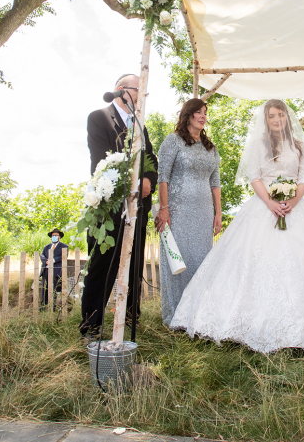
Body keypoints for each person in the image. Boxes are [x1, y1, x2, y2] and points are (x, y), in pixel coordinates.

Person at [170, 100, 304, 354]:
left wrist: (292, 200)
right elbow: (254, 177)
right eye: (272, 116)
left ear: (287, 118)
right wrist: (270, 203)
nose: (277, 119)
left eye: (280, 115)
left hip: (296, 207)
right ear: (266, 120)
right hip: (263, 205)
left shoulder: (299, 145)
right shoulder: (259, 144)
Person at [80, 74, 157, 339]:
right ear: (122, 90)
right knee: (101, 266)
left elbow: (151, 158)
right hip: (110, 208)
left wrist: (148, 180)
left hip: (139, 208)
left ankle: (129, 317)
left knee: (135, 263)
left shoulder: (140, 124)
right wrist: (133, 181)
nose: (142, 96)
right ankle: (91, 325)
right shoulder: (99, 118)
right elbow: (100, 161)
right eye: (139, 90)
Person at [155, 98, 222, 327]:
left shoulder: (210, 147)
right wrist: (164, 209)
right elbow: (162, 177)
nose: (203, 116)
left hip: (204, 212)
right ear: (188, 115)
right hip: (177, 211)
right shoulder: (172, 141)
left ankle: (197, 314)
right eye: (198, 112)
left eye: (205, 113)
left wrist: (218, 213)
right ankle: (175, 315)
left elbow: (215, 181)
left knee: (201, 261)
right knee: (178, 260)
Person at [38, 228, 69, 306]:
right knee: (46, 289)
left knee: (55, 289)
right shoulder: (47, 247)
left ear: (59, 237)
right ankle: (44, 305)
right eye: (53, 235)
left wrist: (53, 260)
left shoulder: (64, 246)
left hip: (56, 271)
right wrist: (46, 261)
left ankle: (54, 306)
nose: (54, 237)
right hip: (46, 271)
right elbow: (42, 255)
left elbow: (63, 256)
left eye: (56, 235)